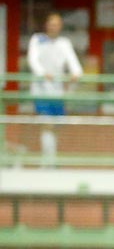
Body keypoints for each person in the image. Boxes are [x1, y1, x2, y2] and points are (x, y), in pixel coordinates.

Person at [26, 12, 83, 167]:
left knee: (56, 126)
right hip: (41, 90)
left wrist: (75, 75)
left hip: (58, 92)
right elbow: (32, 60)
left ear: (60, 27)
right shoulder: (37, 39)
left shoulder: (64, 43)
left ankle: (51, 159)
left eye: (57, 24)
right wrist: (43, 74)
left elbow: (75, 66)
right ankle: (48, 163)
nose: (54, 27)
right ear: (46, 25)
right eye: (51, 24)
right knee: (46, 124)